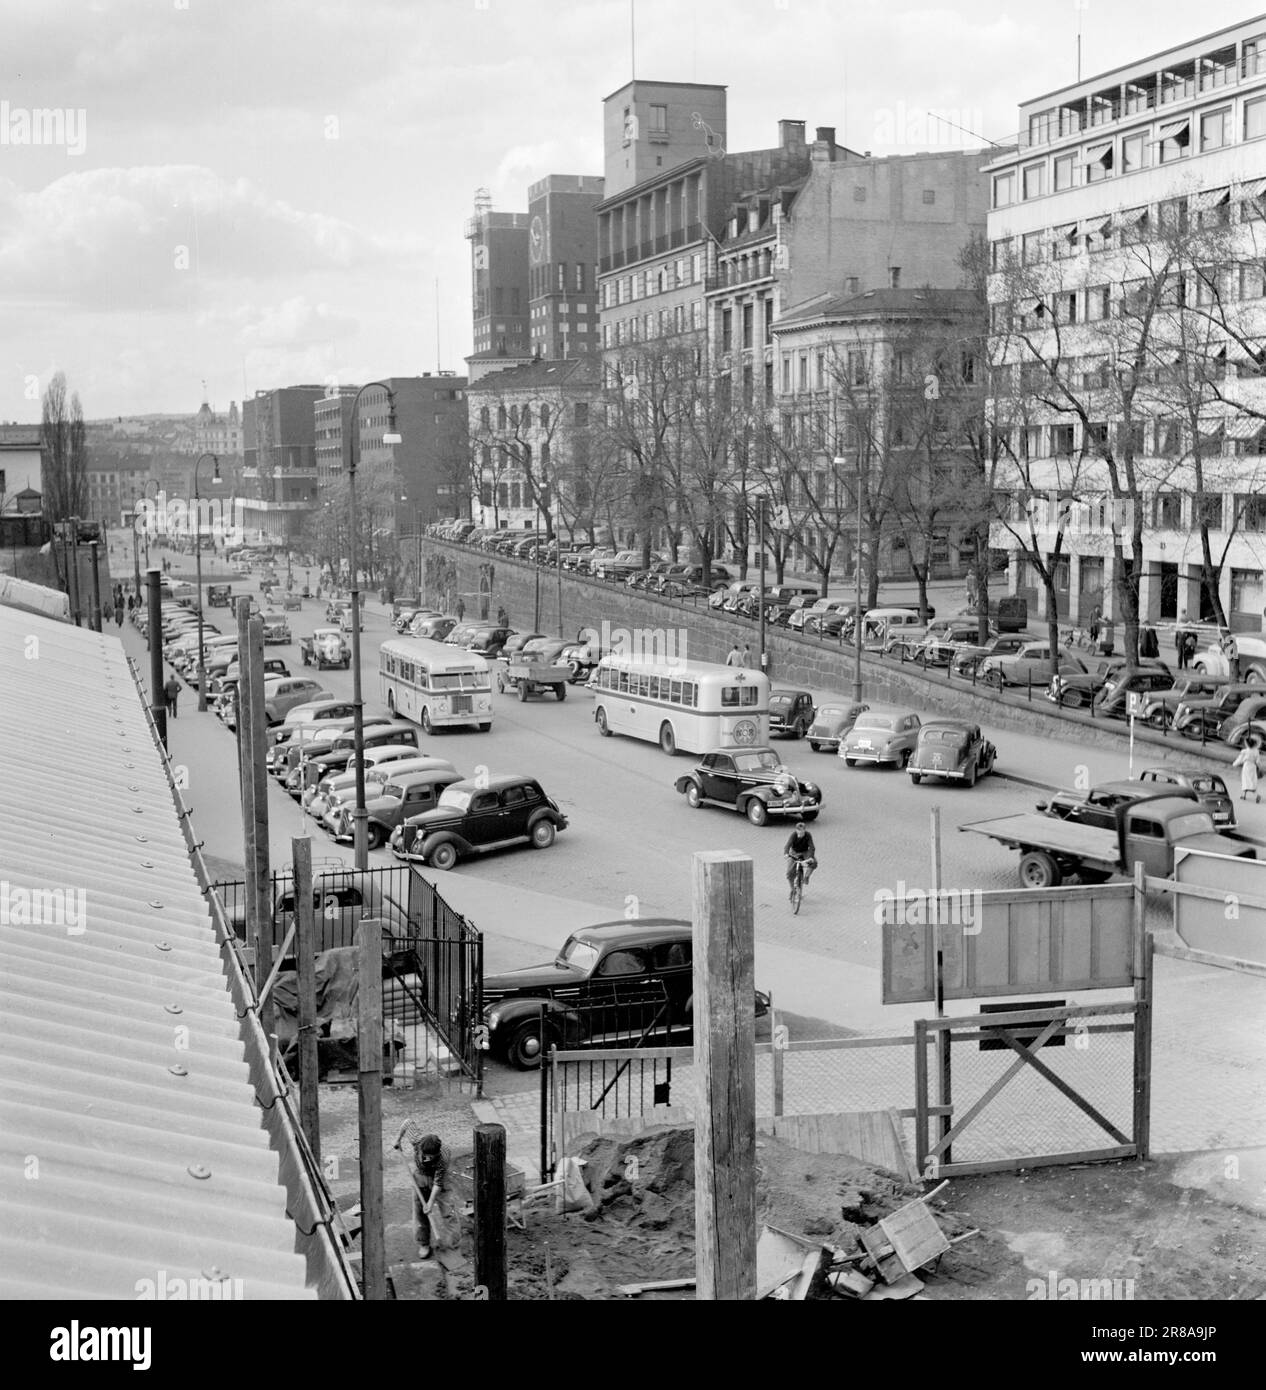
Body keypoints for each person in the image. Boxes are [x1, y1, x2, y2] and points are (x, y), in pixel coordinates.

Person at [393, 1126, 457, 1260]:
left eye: (430, 1157)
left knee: (448, 1212)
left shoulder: (443, 1158)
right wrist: (398, 1140)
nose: (426, 1159)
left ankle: (452, 1247)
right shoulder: (417, 1140)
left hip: (440, 1179)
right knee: (420, 1212)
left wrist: (430, 1202)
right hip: (421, 1176)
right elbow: (407, 1122)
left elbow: (438, 1183)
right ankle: (424, 1243)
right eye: (424, 1155)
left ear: (437, 1154)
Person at [784, 821, 817, 901]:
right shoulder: (793, 835)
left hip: (805, 852)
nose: (800, 835)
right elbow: (787, 845)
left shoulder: (808, 835)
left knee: (814, 863)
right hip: (794, 853)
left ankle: (806, 877)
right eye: (798, 833)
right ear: (796, 830)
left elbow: (812, 847)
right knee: (789, 873)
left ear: (804, 831)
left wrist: (811, 857)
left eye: (802, 833)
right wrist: (786, 853)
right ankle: (793, 890)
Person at [1233, 738, 1261, 804]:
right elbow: (1258, 761)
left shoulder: (1244, 751)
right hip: (1253, 767)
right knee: (1252, 781)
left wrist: (1234, 764)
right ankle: (1255, 795)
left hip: (1246, 766)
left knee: (1245, 781)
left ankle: (1245, 795)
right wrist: (1259, 767)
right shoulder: (1256, 751)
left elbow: (1239, 759)